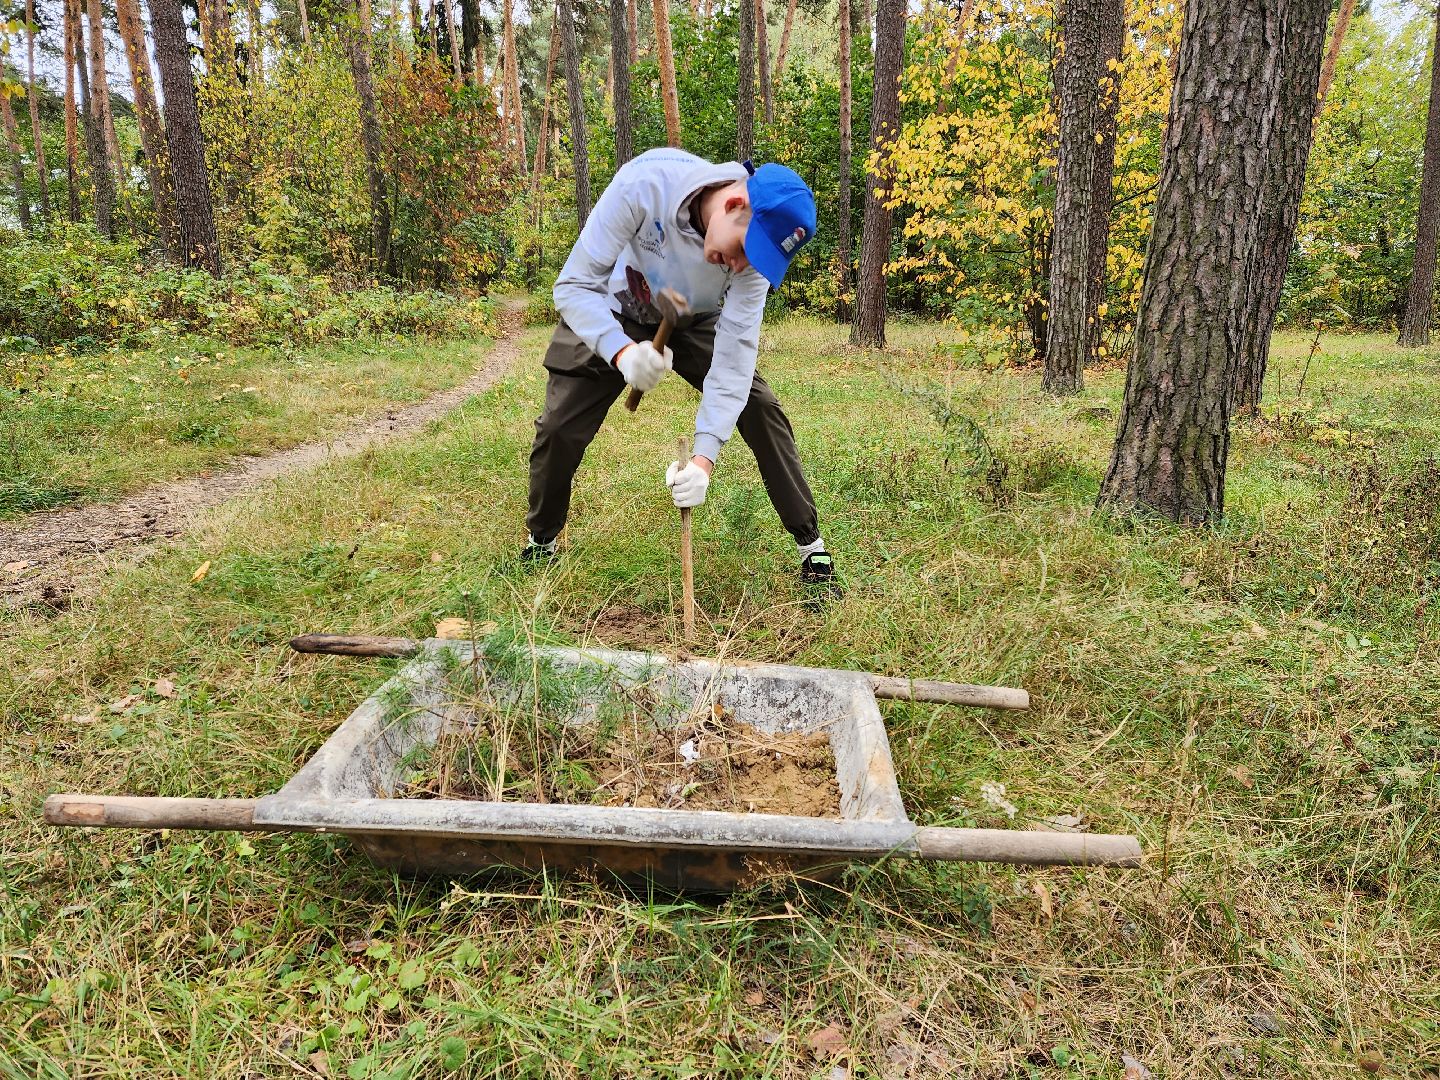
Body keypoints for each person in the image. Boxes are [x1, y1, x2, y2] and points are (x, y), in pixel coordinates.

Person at [521, 147, 838, 594]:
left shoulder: (751, 265)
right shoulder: (644, 184)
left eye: (762, 260)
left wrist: (704, 461)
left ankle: (811, 544)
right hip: (613, 307)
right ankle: (542, 538)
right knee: (559, 426)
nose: (744, 266)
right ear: (733, 205)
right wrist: (622, 353)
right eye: (748, 250)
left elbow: (733, 361)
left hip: (693, 317)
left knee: (759, 405)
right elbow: (574, 286)